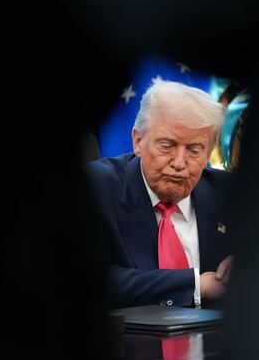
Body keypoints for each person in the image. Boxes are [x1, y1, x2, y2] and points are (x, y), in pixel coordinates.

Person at [86, 79, 234, 308]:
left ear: (208, 154)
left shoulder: (232, 194)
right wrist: (197, 284)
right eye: (166, 145)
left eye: (194, 150)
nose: (179, 163)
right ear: (138, 141)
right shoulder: (96, 187)